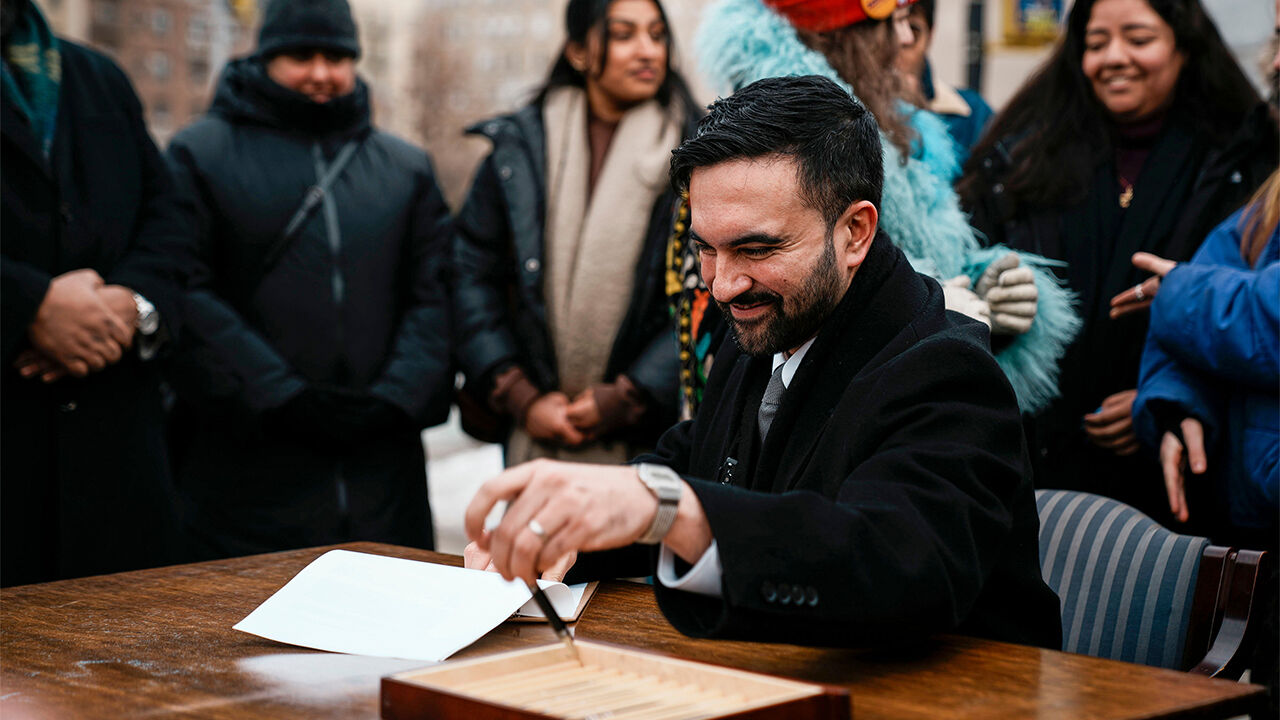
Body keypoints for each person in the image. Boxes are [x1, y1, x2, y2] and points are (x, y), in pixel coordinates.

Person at [466, 75, 1062, 650]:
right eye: (705, 248)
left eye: (755, 248)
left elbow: (892, 561)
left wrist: (661, 507)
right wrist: (576, 525)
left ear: (855, 232)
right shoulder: (774, 319)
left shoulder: (949, 373)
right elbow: (702, 461)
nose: (723, 285)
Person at [672, 0, 1079, 420]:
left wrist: (979, 285)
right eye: (890, 23)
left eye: (909, 21)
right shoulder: (752, 157)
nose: (905, 38)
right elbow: (748, 336)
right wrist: (925, 312)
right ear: (835, 35)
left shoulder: (909, 132)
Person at [957, 0, 1278, 520]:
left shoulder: (1247, 165)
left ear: (1183, 47)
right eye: (1096, 43)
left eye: (1139, 38)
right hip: (1034, 473)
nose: (1114, 57)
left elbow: (1255, 322)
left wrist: (1163, 399)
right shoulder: (1020, 161)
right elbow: (963, 276)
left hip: (1173, 490)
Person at [164, 0, 453, 559]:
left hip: (383, 486)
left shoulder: (406, 167)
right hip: (244, 486)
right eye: (301, 55)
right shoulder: (199, 154)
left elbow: (436, 293)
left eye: (337, 57)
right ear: (265, 57)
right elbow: (185, 289)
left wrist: (394, 399)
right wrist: (281, 397)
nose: (321, 73)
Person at [453, 0, 698, 466]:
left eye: (657, 34)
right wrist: (518, 392)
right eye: (624, 34)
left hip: (650, 442)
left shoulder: (699, 153)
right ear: (578, 51)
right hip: (531, 433)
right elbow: (470, 276)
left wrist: (631, 394)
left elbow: (706, 294)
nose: (648, 50)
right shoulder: (518, 149)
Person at [1, 0, 192, 585]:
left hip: (113, 488)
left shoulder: (96, 77)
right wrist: (28, 306)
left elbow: (169, 222)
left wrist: (129, 306)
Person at [895, 0, 994, 163]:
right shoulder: (853, 114)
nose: (897, 45)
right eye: (886, 32)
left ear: (930, 35)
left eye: (913, 30)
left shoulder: (973, 116)